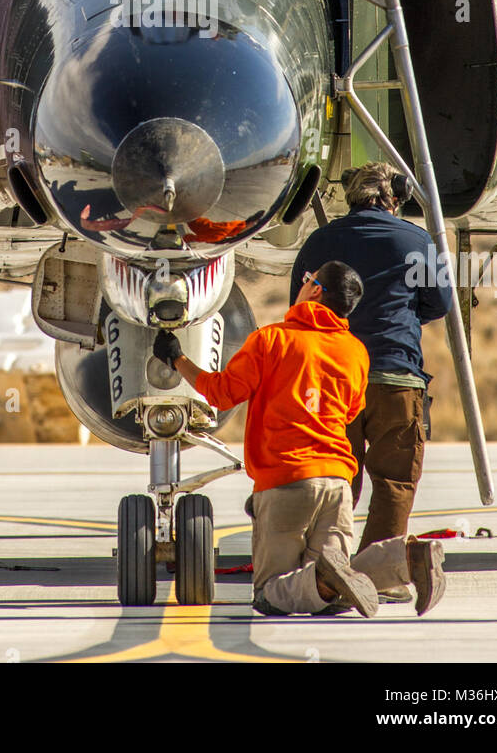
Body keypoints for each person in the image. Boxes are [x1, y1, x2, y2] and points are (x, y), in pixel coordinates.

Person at [153, 259, 446, 617]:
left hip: (285, 481)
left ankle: (327, 577)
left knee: (269, 595)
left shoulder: (271, 340)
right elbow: (350, 412)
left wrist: (177, 359)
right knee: (334, 599)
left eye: (308, 280)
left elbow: (221, 393)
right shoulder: (356, 352)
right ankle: (406, 557)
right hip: (337, 481)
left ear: (316, 290)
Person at [289, 163, 453, 556]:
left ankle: (327, 561)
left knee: (335, 478)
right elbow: (441, 302)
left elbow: (300, 304)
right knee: (395, 480)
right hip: (395, 377)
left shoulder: (319, 242)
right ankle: (378, 571)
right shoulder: (416, 240)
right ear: (395, 196)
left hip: (333, 381)